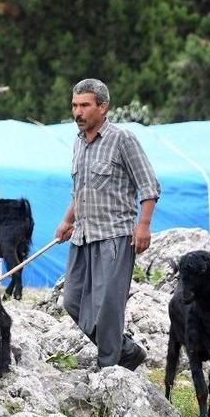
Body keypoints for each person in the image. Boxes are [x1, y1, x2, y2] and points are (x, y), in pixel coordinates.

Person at [54, 78, 161, 371]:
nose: (78, 112)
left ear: (103, 107)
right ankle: (126, 352)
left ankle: (109, 369)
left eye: (85, 105)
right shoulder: (78, 143)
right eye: (75, 105)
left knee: (108, 310)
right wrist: (67, 220)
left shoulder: (122, 139)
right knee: (72, 302)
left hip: (114, 237)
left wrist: (144, 225)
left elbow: (149, 185)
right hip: (82, 235)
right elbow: (81, 190)